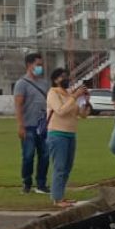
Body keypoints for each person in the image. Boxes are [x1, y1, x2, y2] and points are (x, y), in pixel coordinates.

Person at [46, 67, 87, 208]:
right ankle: (57, 199)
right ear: (55, 79)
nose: (66, 79)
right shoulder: (53, 93)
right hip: (57, 134)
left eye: (67, 76)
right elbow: (60, 111)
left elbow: (82, 115)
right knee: (60, 167)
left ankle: (61, 196)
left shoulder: (69, 94)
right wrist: (74, 97)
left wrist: (85, 101)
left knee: (67, 167)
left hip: (70, 134)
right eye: (62, 76)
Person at [13, 52, 51, 195]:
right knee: (28, 156)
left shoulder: (44, 83)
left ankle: (41, 184)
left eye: (41, 65)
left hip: (43, 126)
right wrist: (20, 125)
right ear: (29, 65)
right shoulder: (21, 84)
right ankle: (26, 183)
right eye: (38, 65)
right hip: (28, 125)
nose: (40, 68)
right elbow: (18, 105)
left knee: (45, 155)